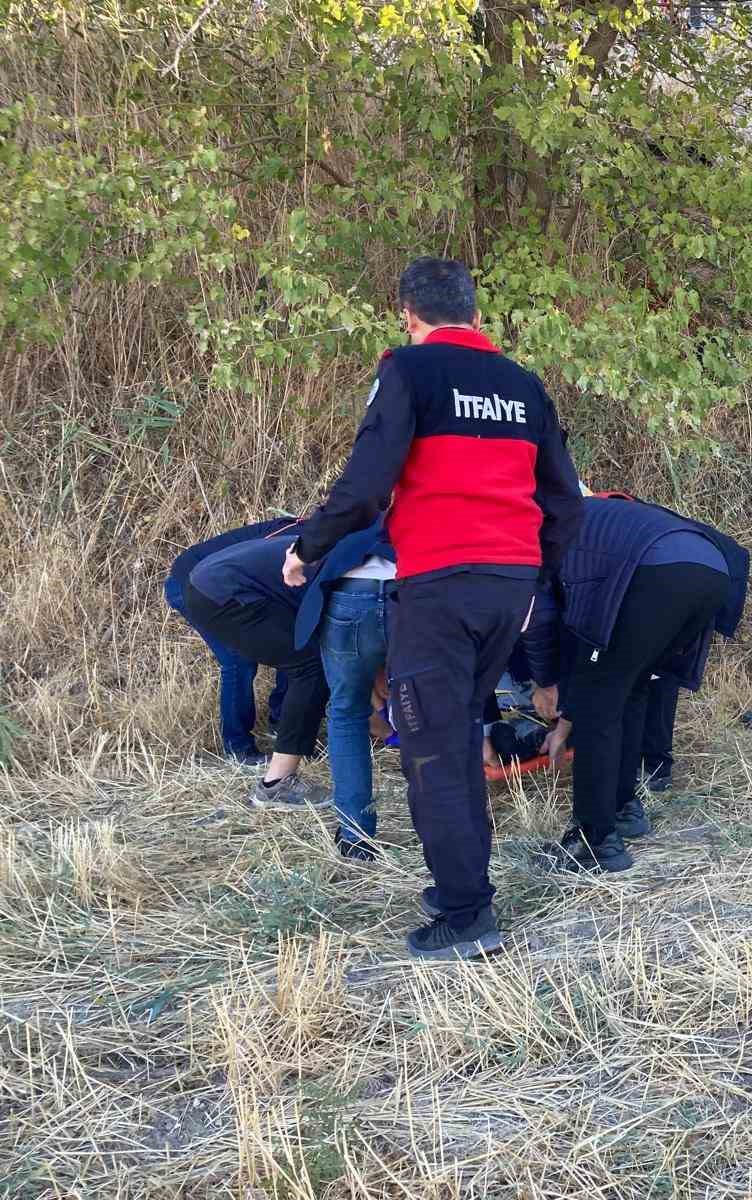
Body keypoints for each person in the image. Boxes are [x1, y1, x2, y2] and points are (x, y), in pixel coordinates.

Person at [284, 256, 584, 962]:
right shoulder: (522, 385)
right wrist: (535, 574)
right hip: (509, 586)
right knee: (454, 731)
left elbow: (364, 485)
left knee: (431, 748)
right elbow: (566, 503)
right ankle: (462, 882)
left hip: (440, 586)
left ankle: (466, 915)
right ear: (479, 319)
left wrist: (309, 548)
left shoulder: (408, 371)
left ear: (409, 317)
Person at [527, 496, 748, 873]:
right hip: (713, 570)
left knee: (600, 707)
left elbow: (541, 615)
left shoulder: (532, 533)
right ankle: (624, 807)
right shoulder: (585, 516)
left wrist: (546, 683)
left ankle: (594, 843)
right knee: (632, 688)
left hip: (657, 570)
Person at [183, 529, 334, 809]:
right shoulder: (366, 563)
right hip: (224, 592)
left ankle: (283, 747)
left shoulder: (349, 541)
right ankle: (276, 784)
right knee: (311, 666)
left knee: (307, 658)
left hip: (210, 582)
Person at [290, 519, 397, 862]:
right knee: (427, 712)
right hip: (411, 593)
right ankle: (442, 827)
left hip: (349, 595)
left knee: (347, 713)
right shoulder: (435, 499)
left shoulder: (365, 500)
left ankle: (356, 837)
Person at [165, 519, 293, 765]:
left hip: (232, 586)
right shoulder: (297, 539)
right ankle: (238, 749)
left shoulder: (314, 533)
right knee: (238, 660)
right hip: (191, 585)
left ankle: (282, 725)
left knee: (295, 644)